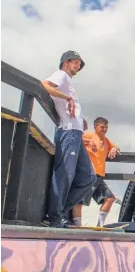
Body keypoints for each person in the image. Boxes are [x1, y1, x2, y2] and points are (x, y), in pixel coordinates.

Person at [42, 51, 97, 227]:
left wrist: (81, 120)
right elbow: (44, 85)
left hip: (76, 132)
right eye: (76, 62)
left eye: (80, 64)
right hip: (68, 133)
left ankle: (59, 212)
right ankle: (55, 217)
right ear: (65, 62)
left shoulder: (67, 81)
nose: (79, 66)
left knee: (89, 177)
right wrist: (67, 98)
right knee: (65, 174)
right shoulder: (61, 75)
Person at [72, 117, 121, 227]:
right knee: (79, 201)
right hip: (87, 174)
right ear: (95, 127)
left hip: (99, 177)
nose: (104, 129)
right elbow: (75, 138)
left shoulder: (106, 140)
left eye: (106, 127)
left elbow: (116, 146)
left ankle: (100, 226)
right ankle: (77, 226)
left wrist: (114, 149)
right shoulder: (90, 135)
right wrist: (89, 142)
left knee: (109, 199)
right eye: (102, 127)